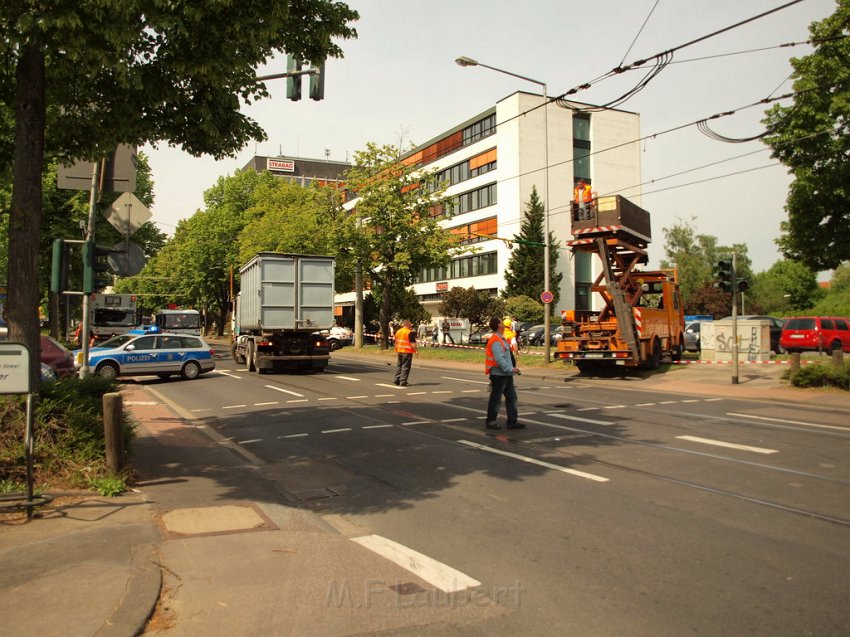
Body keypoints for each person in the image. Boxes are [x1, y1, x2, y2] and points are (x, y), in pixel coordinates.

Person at [484, 316, 524, 430]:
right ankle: (491, 421)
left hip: (505, 374)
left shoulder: (501, 338)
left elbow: (506, 357)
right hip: (498, 374)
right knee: (496, 399)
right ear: (499, 325)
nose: (504, 324)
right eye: (502, 322)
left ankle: (512, 421)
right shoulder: (496, 340)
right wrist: (511, 369)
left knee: (512, 397)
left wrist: (511, 369)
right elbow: (500, 360)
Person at [393, 319, 418, 386]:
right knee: (406, 366)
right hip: (407, 351)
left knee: (399, 365)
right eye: (410, 324)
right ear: (408, 324)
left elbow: (395, 340)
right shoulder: (410, 332)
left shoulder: (398, 331)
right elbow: (413, 343)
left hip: (399, 350)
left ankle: (396, 379)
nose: (411, 325)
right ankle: (403, 381)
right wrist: (416, 351)